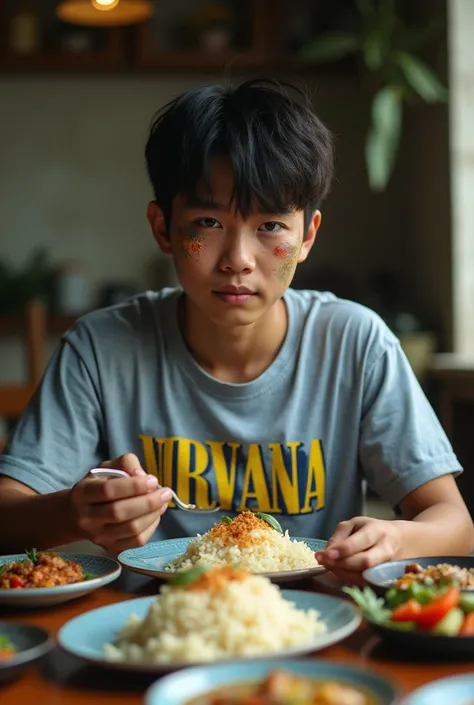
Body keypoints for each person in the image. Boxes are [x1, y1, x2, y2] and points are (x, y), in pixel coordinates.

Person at [0, 79, 472, 584]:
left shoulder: (354, 343)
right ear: (164, 229)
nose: (239, 261)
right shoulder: (101, 347)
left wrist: (395, 538)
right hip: (150, 634)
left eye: (270, 227)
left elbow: (456, 525)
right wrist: (76, 512)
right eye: (207, 221)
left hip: (308, 633)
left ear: (307, 235)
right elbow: (7, 513)